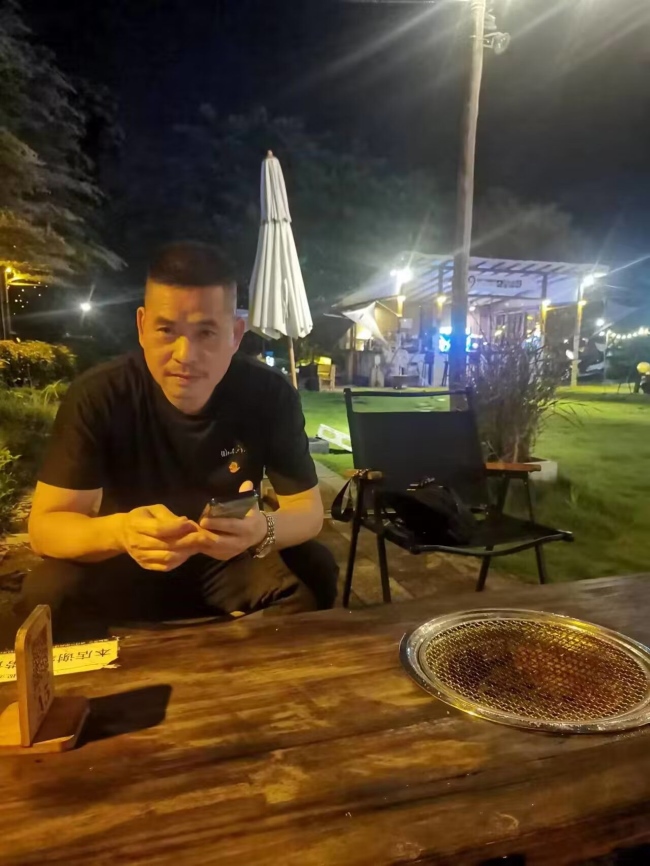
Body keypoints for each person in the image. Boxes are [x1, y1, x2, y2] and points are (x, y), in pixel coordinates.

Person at [14, 241, 337, 643]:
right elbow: (46, 527)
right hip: (127, 558)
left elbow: (307, 511)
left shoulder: (268, 395)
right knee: (47, 592)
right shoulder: (100, 394)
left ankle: (255, 673)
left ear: (235, 334)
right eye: (167, 331)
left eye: (206, 332)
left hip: (225, 560)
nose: (185, 355)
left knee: (314, 569)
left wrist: (262, 529)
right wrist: (120, 530)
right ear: (142, 327)